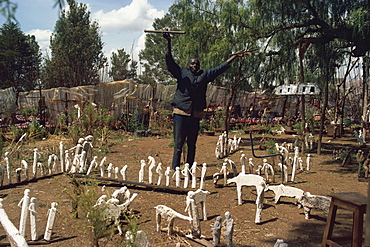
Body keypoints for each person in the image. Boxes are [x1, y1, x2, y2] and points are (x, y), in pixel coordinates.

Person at [163, 33, 245, 170]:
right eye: (192, 63)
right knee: (178, 144)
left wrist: (234, 56)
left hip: (195, 114)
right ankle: (175, 169)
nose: (195, 65)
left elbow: (220, 68)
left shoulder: (204, 75)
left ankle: (189, 168)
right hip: (181, 113)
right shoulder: (181, 72)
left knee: (192, 144)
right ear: (188, 65)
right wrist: (168, 43)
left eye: (197, 63)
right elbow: (169, 61)